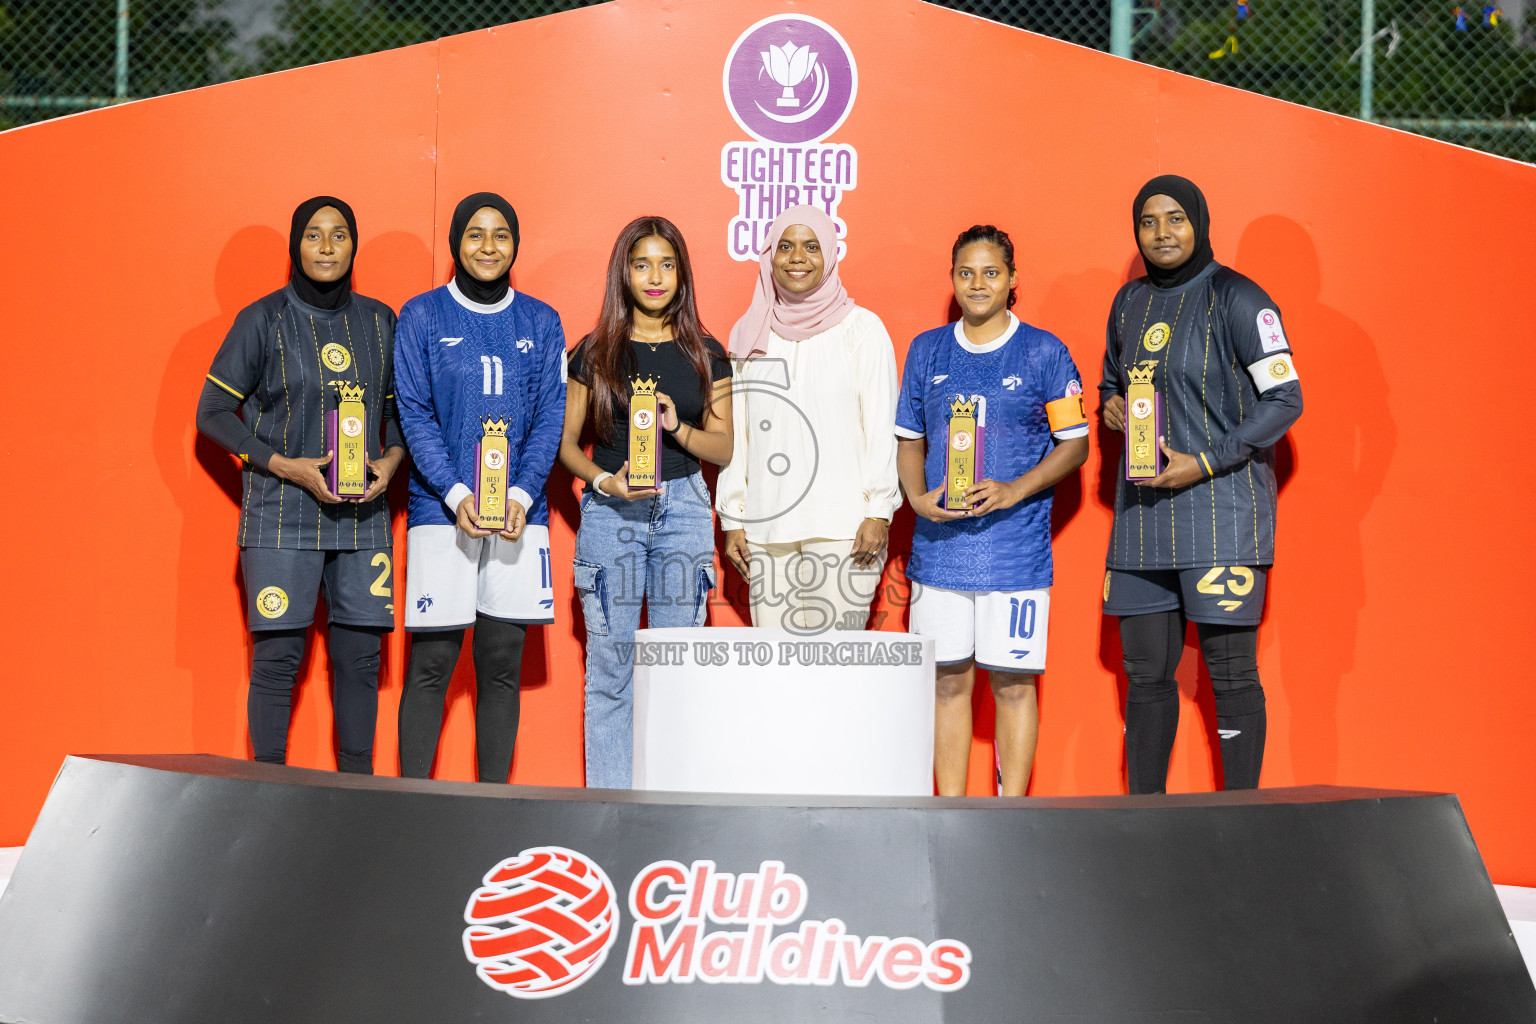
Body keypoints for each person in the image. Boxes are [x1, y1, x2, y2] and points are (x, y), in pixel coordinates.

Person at [1099, 175, 1303, 793]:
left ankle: (1241, 822)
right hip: (1140, 521)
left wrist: (1206, 461)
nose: (1162, 233)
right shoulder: (1128, 302)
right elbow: (1111, 379)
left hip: (1220, 516)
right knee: (1145, 676)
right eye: (1148, 222)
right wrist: (1109, 405)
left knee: (1232, 674)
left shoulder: (1241, 298)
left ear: (1200, 222)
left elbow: (1285, 399)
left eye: (1175, 219)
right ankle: (1145, 823)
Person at [196, 196, 404, 774]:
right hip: (280, 516)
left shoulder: (381, 321)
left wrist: (388, 464)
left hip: (362, 520)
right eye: (314, 235)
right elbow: (212, 412)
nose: (328, 246)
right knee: (278, 660)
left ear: (354, 246)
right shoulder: (261, 319)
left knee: (361, 661)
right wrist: (285, 465)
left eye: (340, 235)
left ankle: (359, 798)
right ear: (295, 245)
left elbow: (398, 415)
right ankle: (269, 792)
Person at [895, 225, 1089, 797]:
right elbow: (909, 439)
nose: (977, 284)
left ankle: (1010, 816)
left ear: (1011, 282)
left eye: (991, 273)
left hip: (1015, 555)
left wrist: (1014, 489)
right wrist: (915, 497)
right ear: (952, 279)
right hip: (940, 554)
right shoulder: (927, 349)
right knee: (948, 683)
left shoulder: (1045, 352)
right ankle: (950, 815)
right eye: (965, 273)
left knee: (1012, 685)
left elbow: (1075, 445)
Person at [392, 192, 567, 782]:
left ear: (515, 244)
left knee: (499, 664)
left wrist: (518, 496)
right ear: (456, 243)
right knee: (432, 664)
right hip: (442, 512)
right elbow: (414, 413)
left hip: (522, 512)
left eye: (501, 235)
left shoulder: (542, 322)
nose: (488, 246)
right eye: (475, 234)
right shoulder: (422, 315)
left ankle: (494, 811)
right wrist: (455, 494)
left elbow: (549, 417)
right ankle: (412, 807)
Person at [560, 217, 733, 788]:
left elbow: (724, 447)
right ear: (623, 274)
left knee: (674, 670)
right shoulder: (593, 352)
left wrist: (674, 426)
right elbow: (565, 446)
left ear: (682, 273)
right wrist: (605, 483)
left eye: (666, 264)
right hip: (613, 513)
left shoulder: (708, 352)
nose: (654, 277)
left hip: (683, 508)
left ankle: (667, 809)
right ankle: (610, 810)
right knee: (611, 669)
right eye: (641, 265)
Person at [717, 205, 901, 633]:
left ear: (831, 254)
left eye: (811, 246)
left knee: (832, 672)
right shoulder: (750, 332)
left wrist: (878, 511)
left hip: (845, 529)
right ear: (769, 256)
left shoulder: (863, 330)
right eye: (785, 246)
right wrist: (734, 516)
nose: (797, 257)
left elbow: (879, 427)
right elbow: (738, 435)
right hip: (766, 529)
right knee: (777, 675)